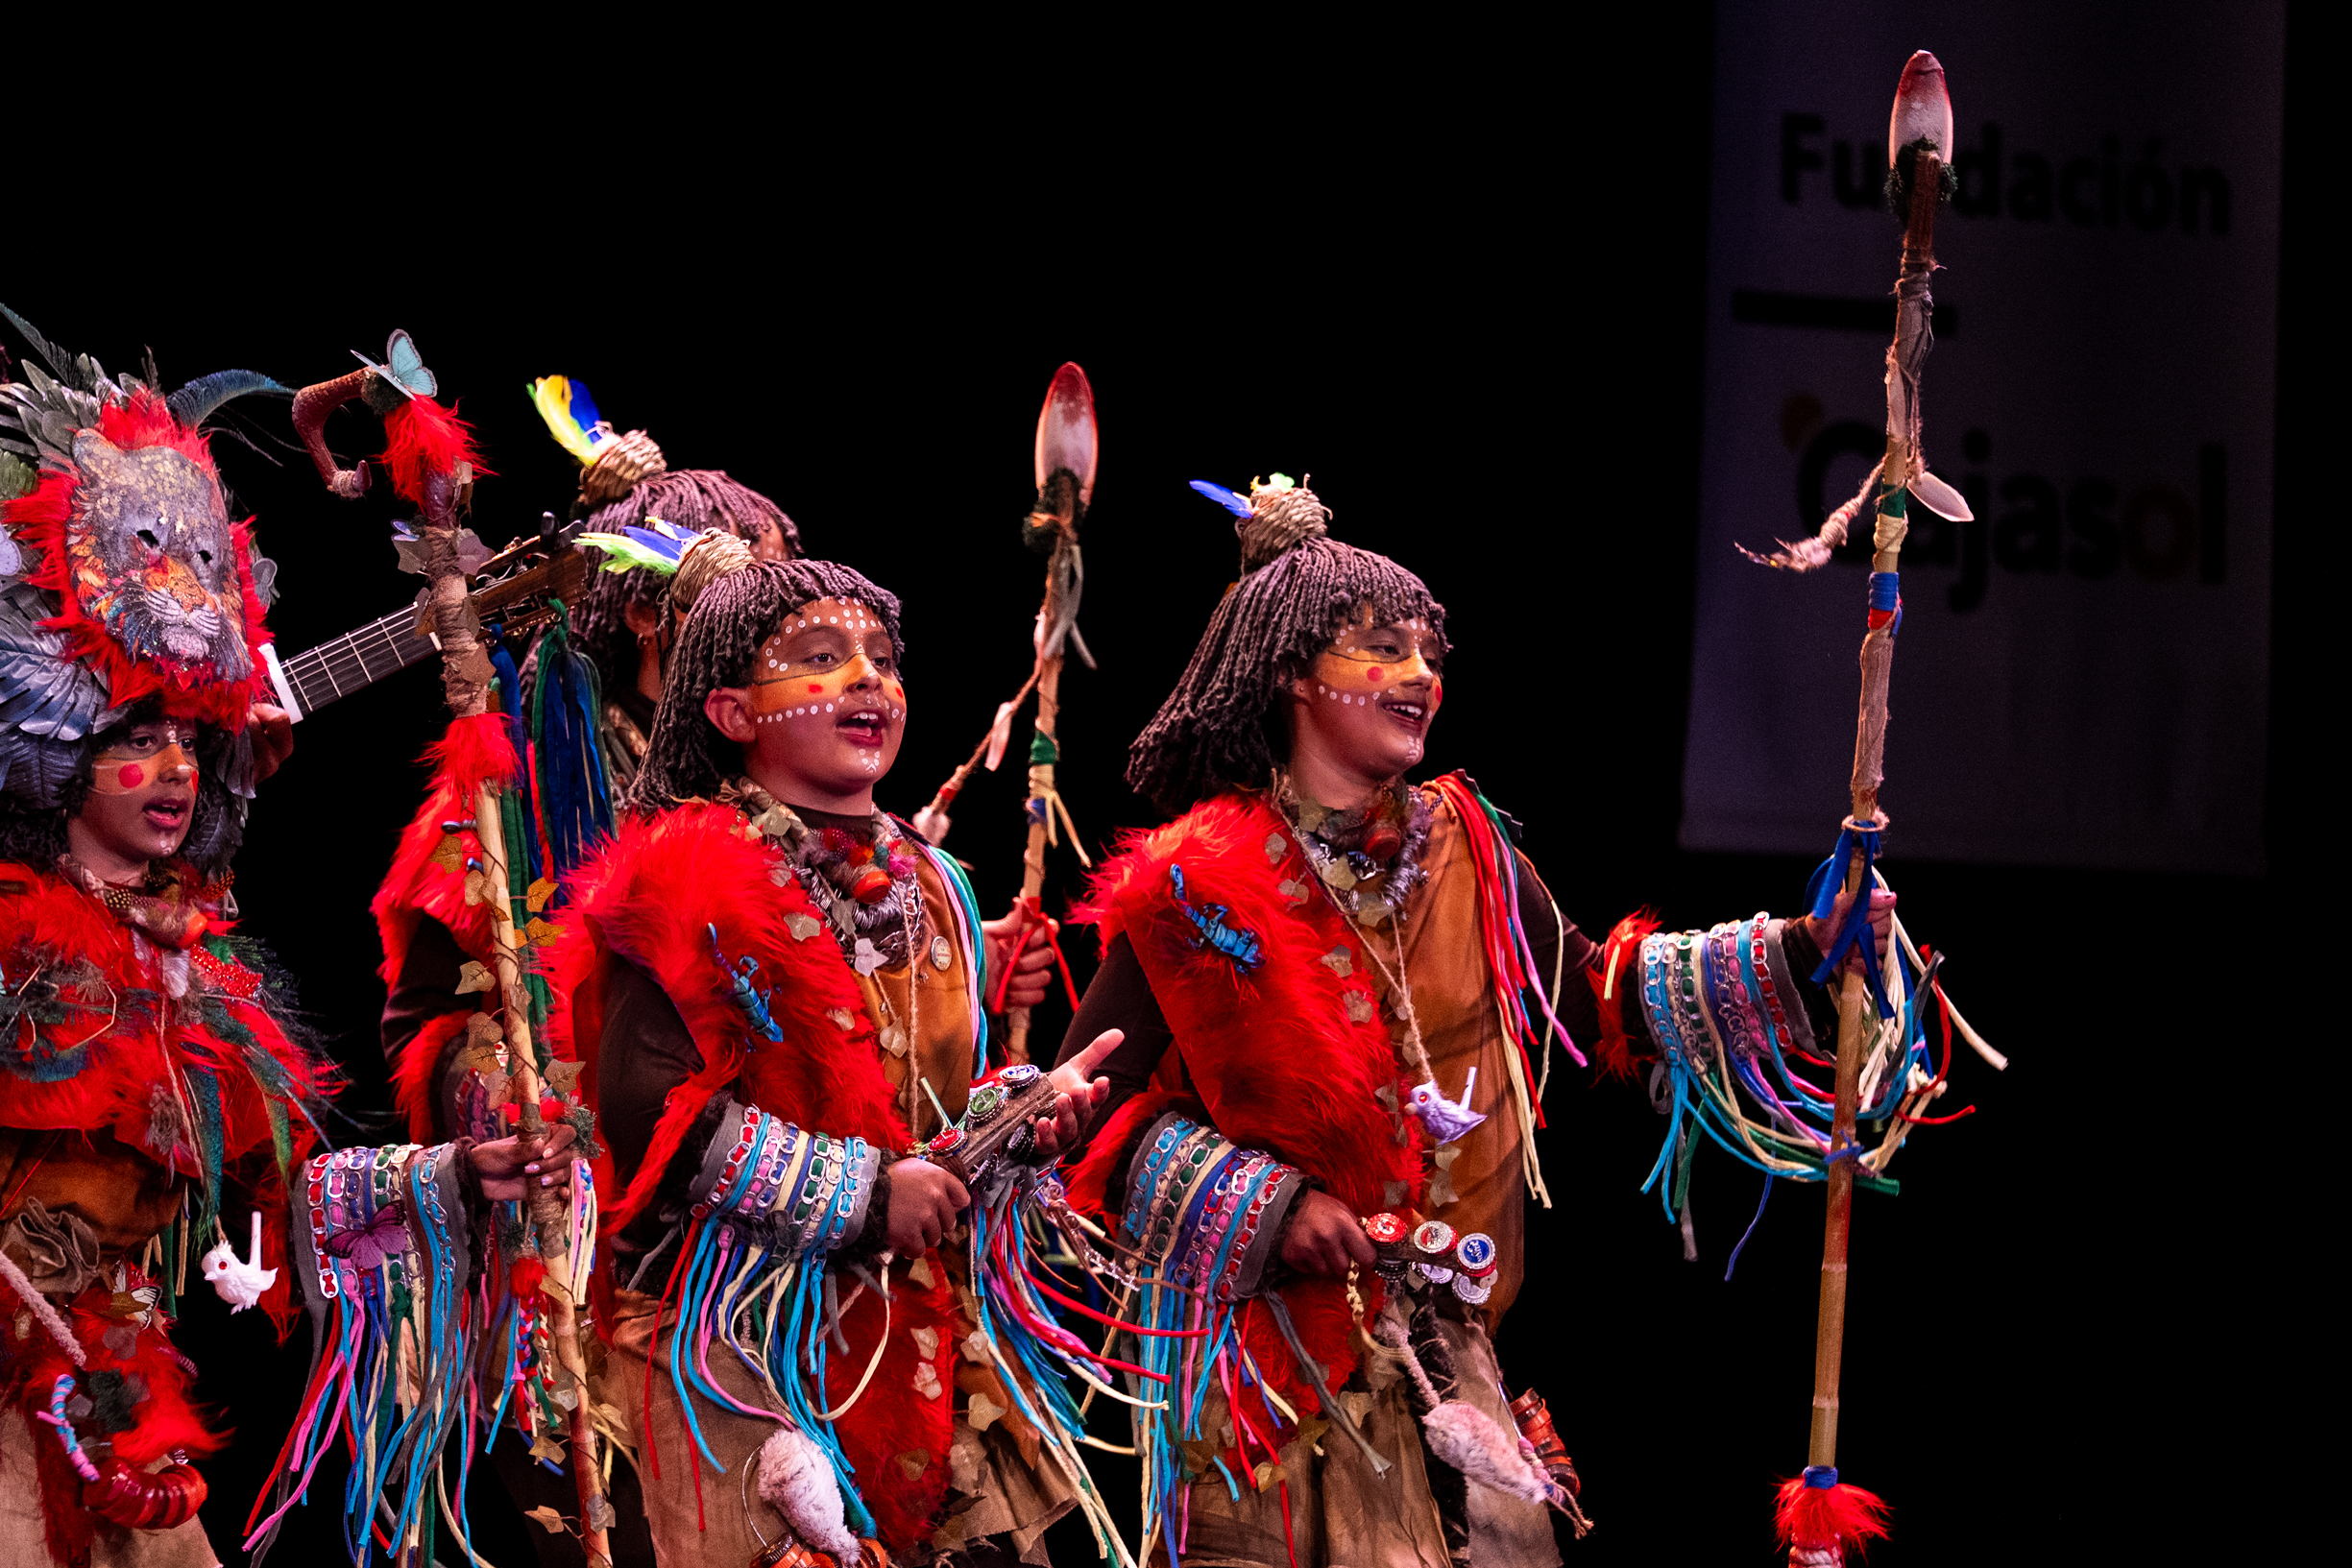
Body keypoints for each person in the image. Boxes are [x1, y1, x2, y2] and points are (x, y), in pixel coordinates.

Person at [1052, 476, 1893, 1568]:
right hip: (1266, 1384)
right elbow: (1071, 1119)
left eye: (1428, 653)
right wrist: (1263, 1205)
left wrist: (1799, 948)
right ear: (1293, 673)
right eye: (1379, 647)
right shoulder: (1190, 882)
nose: (1418, 674)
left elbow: (1601, 999)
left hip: (1458, 1367)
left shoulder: (1467, 843)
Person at [0, 312, 570, 1568]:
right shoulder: (18, 949)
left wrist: (448, 1182)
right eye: (132, 744)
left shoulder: (196, 972)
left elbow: (274, 1203)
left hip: (116, 1413)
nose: (169, 773)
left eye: (187, 749)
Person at [546, 559, 1120, 1567]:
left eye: (883, 661)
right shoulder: (679, 864)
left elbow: (923, 1122)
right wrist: (862, 1197)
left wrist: (1019, 1120)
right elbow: (645, 1109)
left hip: (917, 1327)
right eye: (821, 659)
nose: (867, 681)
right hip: (735, 1354)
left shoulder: (931, 881)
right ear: (729, 710)